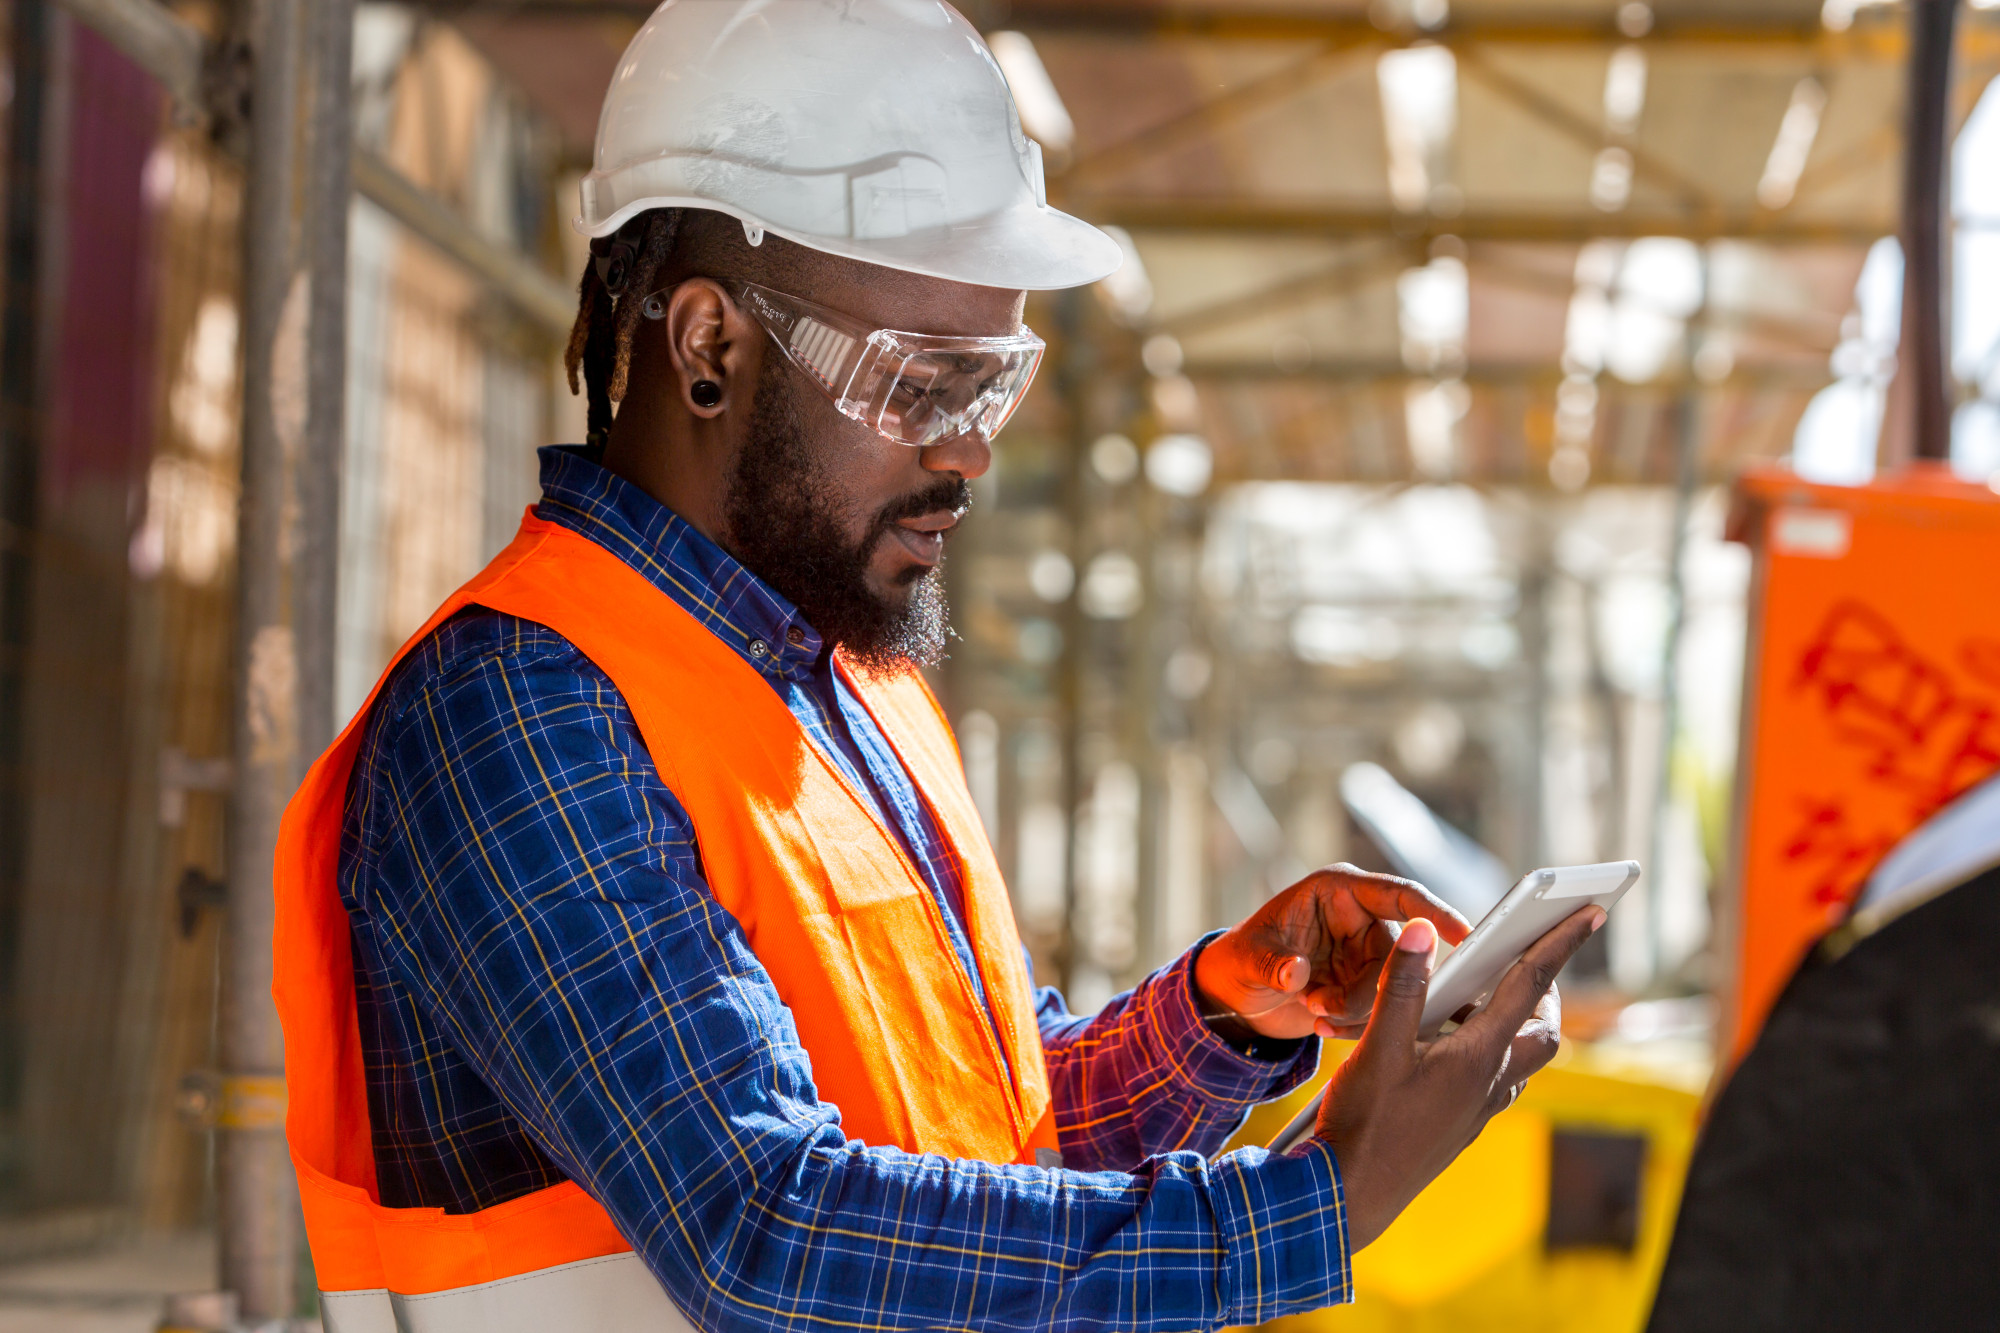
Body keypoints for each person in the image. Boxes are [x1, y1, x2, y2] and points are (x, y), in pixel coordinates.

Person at [273, 4, 1601, 1329]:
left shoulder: (859, 698)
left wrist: (1222, 1013)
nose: (966, 452)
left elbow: (975, 1158)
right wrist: (1318, 1202)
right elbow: (766, 1225)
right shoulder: (520, 711)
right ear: (709, 347)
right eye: (920, 383)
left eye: (991, 385)